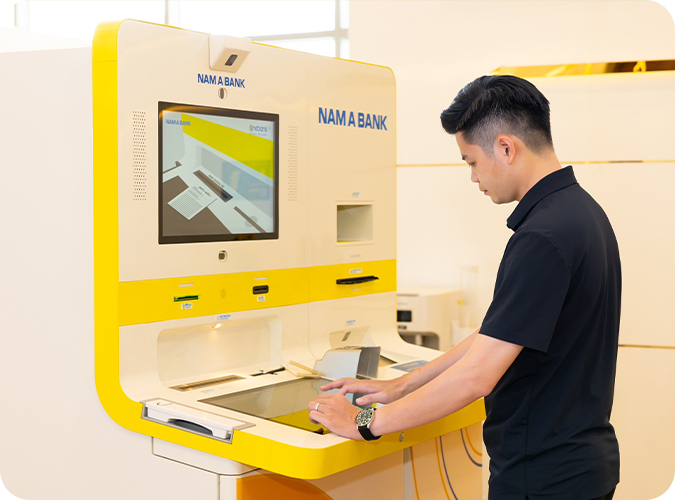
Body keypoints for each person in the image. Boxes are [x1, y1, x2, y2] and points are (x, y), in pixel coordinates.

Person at [308, 75, 621, 500]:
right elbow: (496, 336)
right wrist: (402, 386)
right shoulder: (582, 213)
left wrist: (365, 423)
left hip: (542, 478)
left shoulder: (542, 238)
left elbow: (477, 377)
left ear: (506, 148)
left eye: (471, 161)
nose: (473, 177)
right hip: (579, 466)